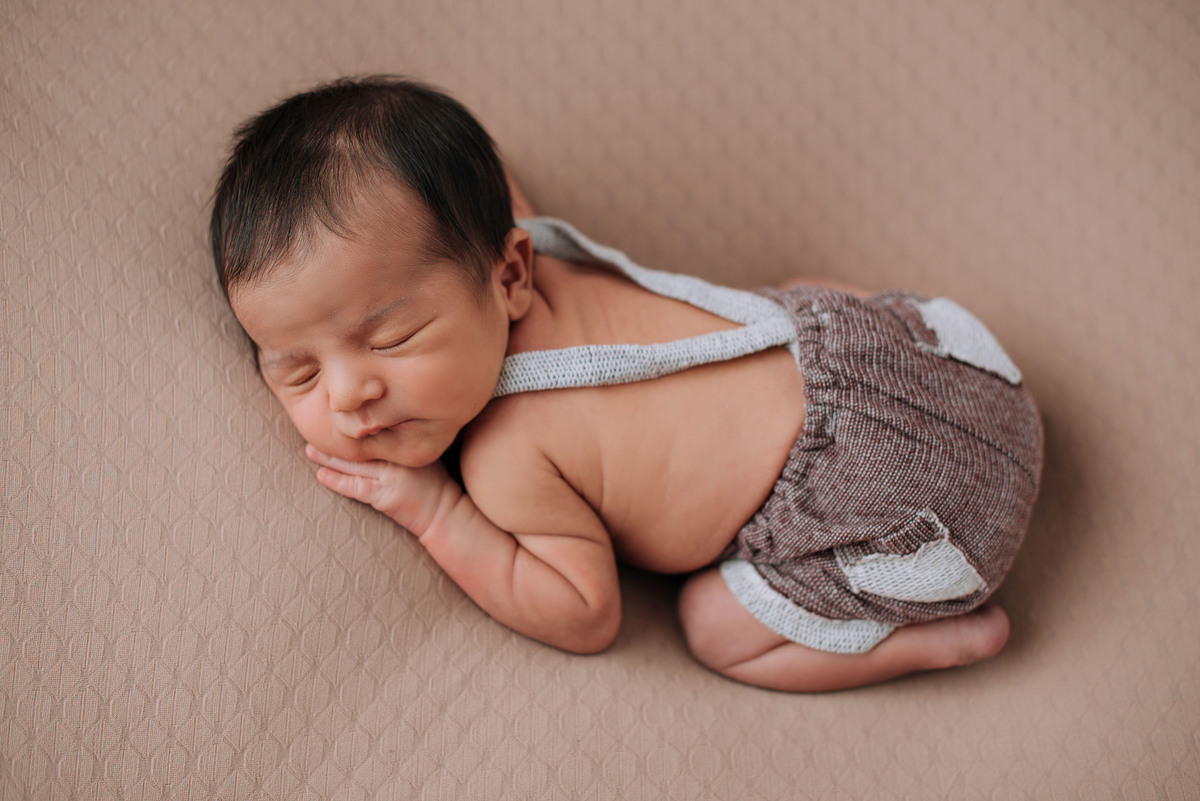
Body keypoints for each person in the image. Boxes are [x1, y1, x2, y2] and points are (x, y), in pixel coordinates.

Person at [210, 75, 1043, 692]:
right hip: (946, 359)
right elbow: (484, 170)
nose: (350, 394)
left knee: (715, 628)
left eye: (390, 335)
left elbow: (585, 613)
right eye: (298, 369)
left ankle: (931, 643)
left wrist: (435, 511)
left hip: (915, 523)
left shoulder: (510, 456)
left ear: (510, 277)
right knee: (786, 296)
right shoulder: (528, 244)